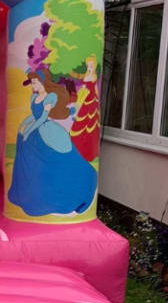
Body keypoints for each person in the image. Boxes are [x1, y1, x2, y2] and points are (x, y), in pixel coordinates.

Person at [8, 68, 97, 217]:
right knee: (29, 155)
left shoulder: (50, 97)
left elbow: (43, 118)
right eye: (32, 83)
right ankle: (30, 192)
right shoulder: (33, 97)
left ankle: (78, 182)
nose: (33, 86)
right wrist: (22, 126)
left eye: (34, 82)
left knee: (60, 157)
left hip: (46, 129)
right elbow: (34, 115)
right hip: (36, 128)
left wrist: (28, 130)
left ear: (42, 82)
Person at [69, 55, 100, 161]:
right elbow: (82, 87)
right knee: (81, 123)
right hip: (86, 101)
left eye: (91, 66)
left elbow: (95, 88)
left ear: (94, 66)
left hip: (91, 102)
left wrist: (96, 100)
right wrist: (79, 100)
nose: (89, 68)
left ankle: (88, 152)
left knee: (90, 123)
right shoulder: (87, 76)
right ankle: (77, 150)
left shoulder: (93, 77)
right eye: (88, 66)